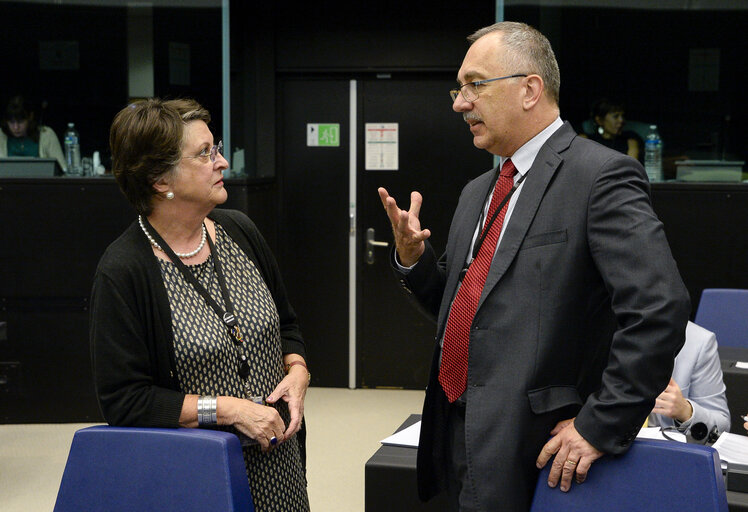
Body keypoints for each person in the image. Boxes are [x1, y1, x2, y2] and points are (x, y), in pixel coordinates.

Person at [378, 22, 690, 511]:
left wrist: (601, 423)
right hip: (455, 436)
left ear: (529, 90)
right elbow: (465, 309)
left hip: (537, 450)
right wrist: (415, 262)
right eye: (458, 90)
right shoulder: (476, 193)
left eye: (474, 86)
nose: (460, 103)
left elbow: (659, 308)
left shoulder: (600, 177)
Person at [90, 98, 310, 511]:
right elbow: (126, 400)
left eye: (217, 147)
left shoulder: (240, 231)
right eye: (205, 153)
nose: (222, 161)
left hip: (281, 464)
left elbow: (287, 324)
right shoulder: (123, 271)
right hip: (201, 478)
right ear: (159, 179)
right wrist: (227, 410)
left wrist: (298, 370)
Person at [648, 321, 730, 437]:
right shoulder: (614, 333)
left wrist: (686, 411)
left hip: (662, 448)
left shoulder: (698, 340)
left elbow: (722, 427)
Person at [0, 95, 66, 171]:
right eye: (11, 122)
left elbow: (62, 169)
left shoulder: (47, 134)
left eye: (20, 122)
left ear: (30, 117)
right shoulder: (1, 135)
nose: (16, 127)